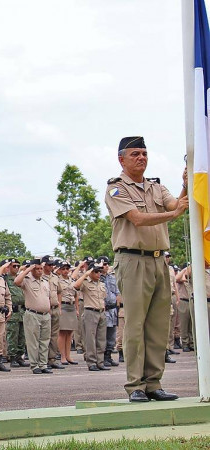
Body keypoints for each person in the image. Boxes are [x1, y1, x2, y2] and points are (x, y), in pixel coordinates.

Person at [104, 136, 187, 402]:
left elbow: (176, 205)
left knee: (158, 325)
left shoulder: (155, 187)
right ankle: (135, 385)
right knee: (136, 324)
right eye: (135, 154)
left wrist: (186, 186)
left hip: (158, 259)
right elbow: (137, 219)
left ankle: (154, 383)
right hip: (132, 259)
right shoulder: (117, 189)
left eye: (144, 153)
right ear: (122, 159)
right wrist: (173, 215)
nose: (141, 158)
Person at [14, 259, 51, 374]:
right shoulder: (27, 280)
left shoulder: (45, 281)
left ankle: (43, 364)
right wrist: (28, 270)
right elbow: (16, 281)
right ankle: (34, 365)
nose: (40, 271)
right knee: (33, 341)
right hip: (32, 314)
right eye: (37, 269)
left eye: (41, 269)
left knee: (44, 341)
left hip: (45, 315)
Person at [73, 260, 109, 372]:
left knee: (101, 339)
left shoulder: (102, 283)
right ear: (91, 272)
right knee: (90, 339)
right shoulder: (85, 283)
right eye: (96, 272)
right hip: (90, 312)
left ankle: (100, 362)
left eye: (100, 272)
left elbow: (103, 298)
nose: (99, 274)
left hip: (101, 312)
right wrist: (86, 274)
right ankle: (91, 362)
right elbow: (75, 285)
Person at [4, 259, 29, 368]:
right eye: (14, 266)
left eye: (18, 266)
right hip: (13, 311)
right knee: (12, 335)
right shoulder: (5, 278)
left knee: (22, 336)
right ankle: (12, 357)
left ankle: (20, 356)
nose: (16, 268)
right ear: (8, 267)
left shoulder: (21, 279)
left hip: (22, 310)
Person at [41, 256, 64, 370]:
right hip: (45, 310)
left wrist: (59, 305)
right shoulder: (40, 277)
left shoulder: (55, 277)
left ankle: (52, 359)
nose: (51, 267)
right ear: (44, 265)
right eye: (49, 265)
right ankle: (43, 360)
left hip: (55, 308)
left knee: (54, 336)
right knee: (45, 336)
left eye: (52, 265)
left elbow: (59, 292)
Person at [99, 256, 120, 367]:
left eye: (107, 264)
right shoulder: (97, 277)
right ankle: (102, 357)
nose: (106, 266)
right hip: (104, 309)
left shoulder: (112, 277)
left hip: (112, 310)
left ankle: (108, 356)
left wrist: (117, 307)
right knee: (103, 335)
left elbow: (117, 293)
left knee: (112, 335)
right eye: (104, 264)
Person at [56, 261, 78, 365]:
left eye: (67, 269)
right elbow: (57, 294)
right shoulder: (57, 280)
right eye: (63, 269)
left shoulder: (72, 280)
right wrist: (59, 307)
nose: (65, 271)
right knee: (62, 332)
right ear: (59, 270)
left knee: (70, 333)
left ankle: (68, 355)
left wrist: (77, 308)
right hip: (63, 305)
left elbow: (76, 295)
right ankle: (62, 356)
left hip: (71, 306)